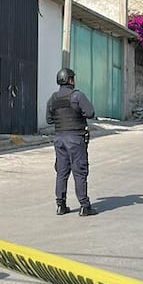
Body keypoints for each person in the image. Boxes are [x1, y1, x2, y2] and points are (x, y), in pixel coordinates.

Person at [46, 67, 97, 216]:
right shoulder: (77, 96)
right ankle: (84, 206)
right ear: (70, 80)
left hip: (60, 139)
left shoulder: (53, 98)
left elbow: (49, 120)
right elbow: (90, 112)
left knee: (61, 172)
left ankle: (60, 205)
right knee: (79, 171)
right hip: (75, 139)